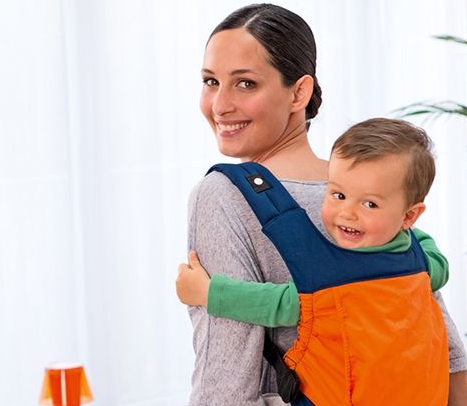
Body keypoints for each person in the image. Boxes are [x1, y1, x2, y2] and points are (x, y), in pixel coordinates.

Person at [164, 3, 467, 406]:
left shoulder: (226, 197)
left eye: (245, 83)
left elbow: (227, 383)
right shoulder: (381, 193)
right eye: (210, 81)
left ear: (299, 91)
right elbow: (446, 353)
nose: (220, 104)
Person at [174, 118, 449, 326]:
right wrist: (408, 232)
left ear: (409, 215)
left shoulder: (336, 276)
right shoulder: (422, 264)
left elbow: (276, 304)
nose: (347, 213)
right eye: (339, 195)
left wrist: (207, 293)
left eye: (369, 204)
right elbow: (441, 267)